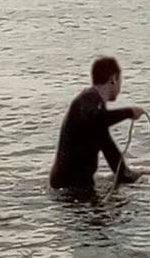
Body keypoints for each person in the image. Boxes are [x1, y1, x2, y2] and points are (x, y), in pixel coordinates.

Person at [49, 56, 144, 190]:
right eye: (120, 81)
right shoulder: (87, 100)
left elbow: (108, 147)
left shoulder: (96, 105)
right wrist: (128, 112)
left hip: (79, 184)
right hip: (68, 186)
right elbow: (98, 119)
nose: (120, 87)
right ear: (113, 79)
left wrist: (124, 175)